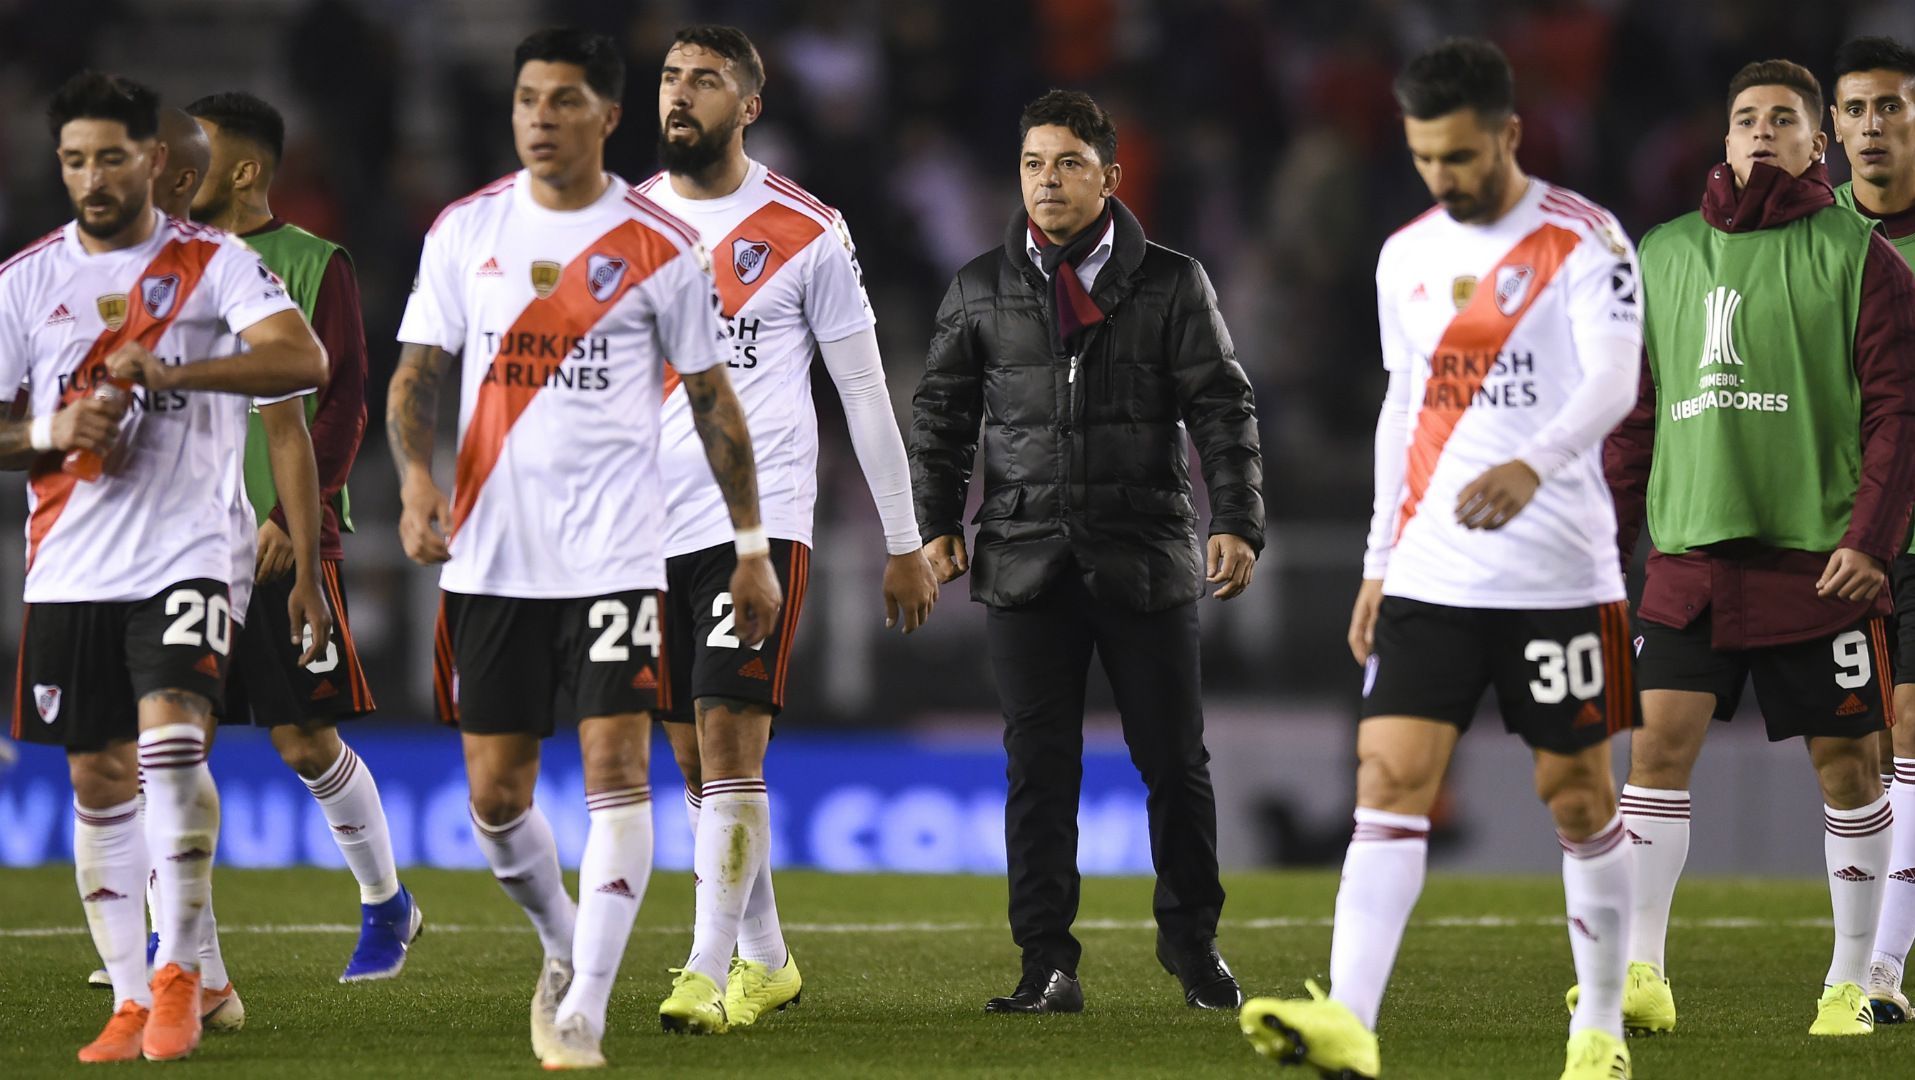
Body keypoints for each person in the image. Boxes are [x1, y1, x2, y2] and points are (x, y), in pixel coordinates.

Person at [1238, 39, 1644, 1080]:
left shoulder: (1588, 242)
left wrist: (1535, 462)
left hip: (1559, 573)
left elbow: (1615, 384)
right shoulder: (1406, 254)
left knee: (1580, 796)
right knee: (1390, 779)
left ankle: (1598, 1027)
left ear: (1509, 134)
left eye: (1460, 156)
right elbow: (1404, 413)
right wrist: (1379, 559)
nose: (1442, 178)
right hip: (1432, 571)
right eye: (1425, 157)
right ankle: (1351, 1021)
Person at [387, 27, 778, 1069]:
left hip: (615, 554)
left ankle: (586, 1008)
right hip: (492, 559)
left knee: (617, 767)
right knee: (496, 796)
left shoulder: (659, 246)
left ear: (607, 117)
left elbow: (713, 404)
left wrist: (751, 545)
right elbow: (418, 372)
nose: (540, 119)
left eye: (564, 101)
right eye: (526, 100)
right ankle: (561, 945)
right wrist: (417, 479)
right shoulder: (464, 232)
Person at [910, 88, 1262, 1015]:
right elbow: (941, 416)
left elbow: (1223, 408)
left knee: (1174, 765)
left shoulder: (1173, 282)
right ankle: (1045, 965)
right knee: (1038, 774)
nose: (1048, 181)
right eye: (1033, 164)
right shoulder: (980, 284)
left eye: (1068, 163)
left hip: (1145, 558)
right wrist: (936, 519)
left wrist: (1238, 518)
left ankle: (1194, 954)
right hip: (1025, 559)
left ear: (1110, 175)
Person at [1, 71, 326, 1063]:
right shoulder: (23, 282)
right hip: (67, 564)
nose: (91, 177)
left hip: (186, 554)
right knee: (98, 777)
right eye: (73, 160)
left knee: (171, 748)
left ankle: (183, 970)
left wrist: (176, 373)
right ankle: (134, 996)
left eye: (109, 156)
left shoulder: (215, 262)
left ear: (152, 159)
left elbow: (300, 361)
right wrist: (56, 427)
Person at [1602, 57, 1915, 1038]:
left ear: (1814, 143)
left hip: (1816, 563)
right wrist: (1601, 545)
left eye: (1785, 119)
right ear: (1725, 138)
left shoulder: (1862, 259)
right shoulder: (1661, 253)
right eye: (1747, 119)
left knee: (1851, 768)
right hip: (1691, 557)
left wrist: (1871, 539)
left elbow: (1899, 417)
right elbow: (1632, 418)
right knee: (1654, 751)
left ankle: (1851, 980)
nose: (1763, 134)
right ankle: (1643, 972)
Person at [634, 23, 938, 1034]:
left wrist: (902, 539)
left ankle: (704, 975)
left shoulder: (807, 228)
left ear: (749, 106)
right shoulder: (624, 224)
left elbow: (862, 391)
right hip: (644, 527)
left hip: (757, 528)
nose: (681, 94)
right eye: (673, 77)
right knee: (687, 756)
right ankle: (767, 958)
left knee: (729, 737)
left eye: (706, 81)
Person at [185, 89, 419, 983]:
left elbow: (348, 398)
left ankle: (386, 904)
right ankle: (177, 945)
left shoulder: (315, 262)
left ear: (243, 169)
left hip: (288, 537)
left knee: (302, 741)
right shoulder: (164, 267)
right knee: (176, 740)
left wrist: (296, 512)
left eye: (193, 151)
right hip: (187, 543)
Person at [1830, 34, 1915, 1025]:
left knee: (1909, 731)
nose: (1870, 127)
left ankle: (1880, 972)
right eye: (1854, 110)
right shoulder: (1813, 242)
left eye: (1889, 107)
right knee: (1862, 754)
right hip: (1841, 536)